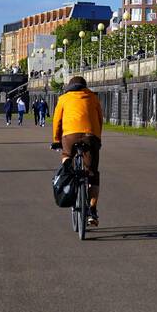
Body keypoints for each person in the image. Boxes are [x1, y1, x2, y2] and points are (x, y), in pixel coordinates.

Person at [52, 76, 104, 227]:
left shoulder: (63, 98)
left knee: (66, 155)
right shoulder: (93, 97)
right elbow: (100, 119)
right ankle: (92, 210)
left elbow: (57, 120)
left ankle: (67, 173)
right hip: (91, 136)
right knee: (92, 174)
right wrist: (97, 138)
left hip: (70, 136)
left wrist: (56, 140)